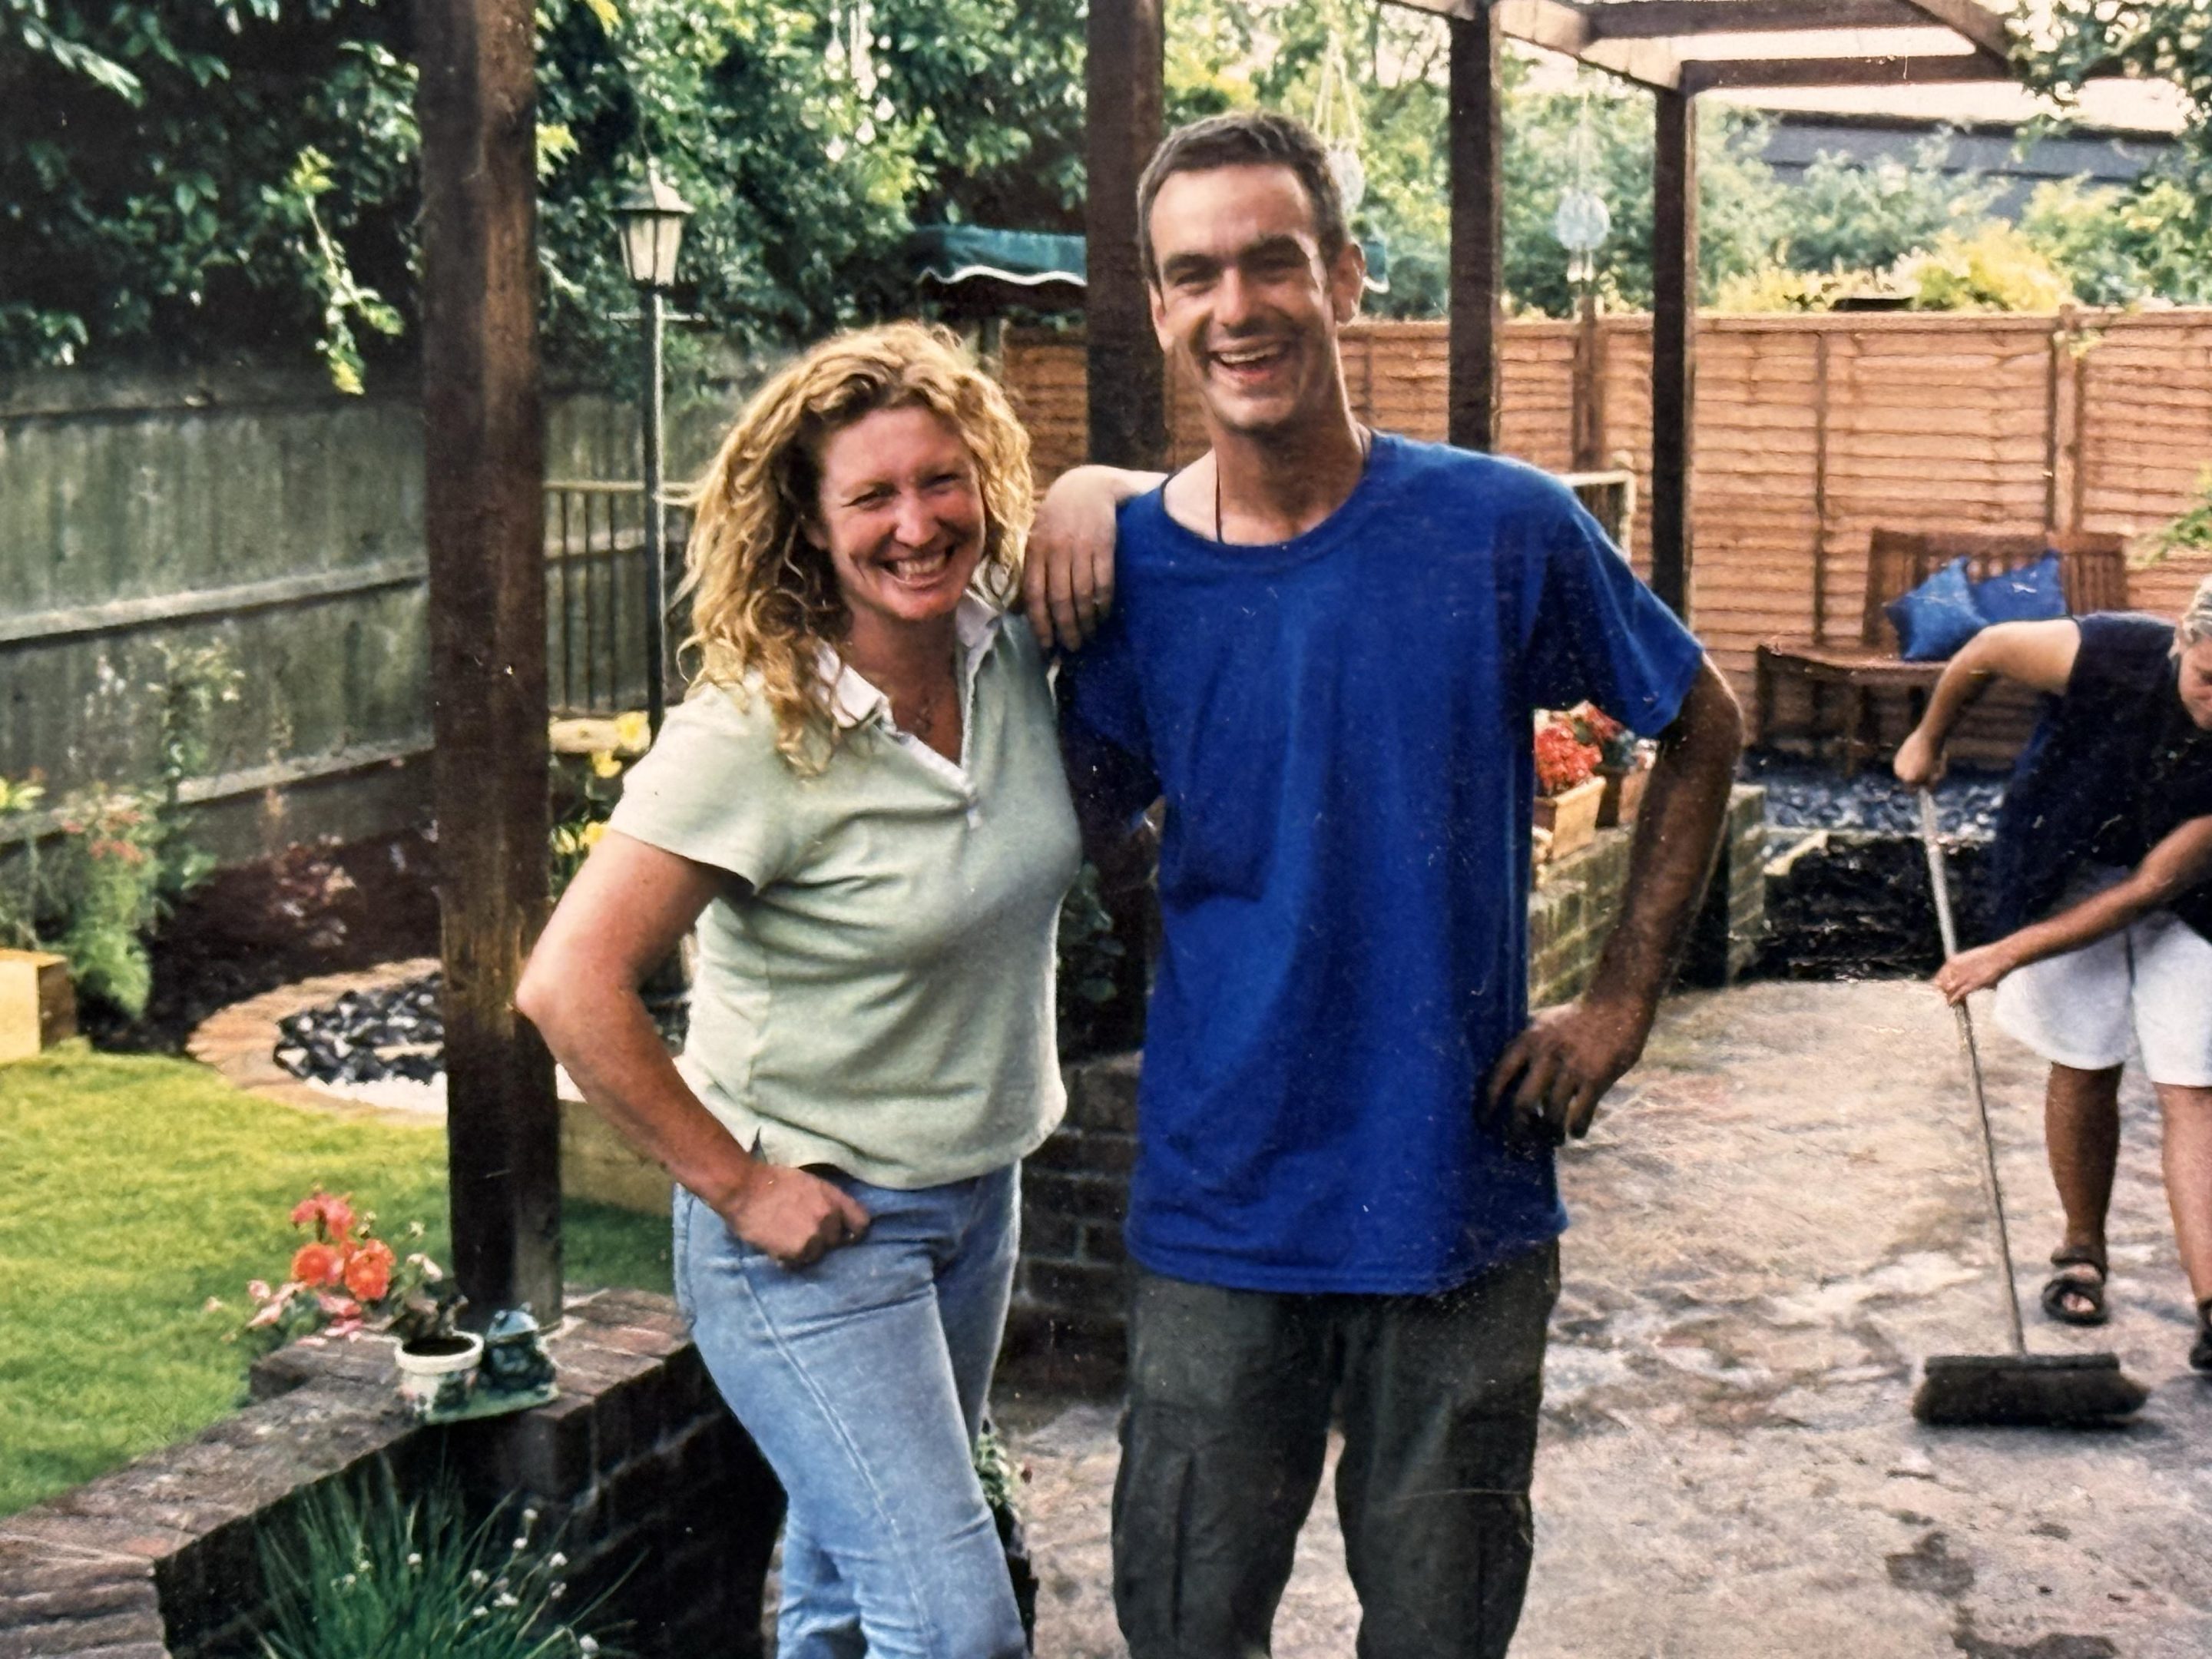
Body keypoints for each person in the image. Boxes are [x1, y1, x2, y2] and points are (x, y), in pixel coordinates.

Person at [1025, 111, 1744, 1659]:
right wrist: (1092, 486)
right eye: (1194, 275)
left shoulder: (1499, 528)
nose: (1238, 307)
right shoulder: (1124, 577)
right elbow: (1084, 816)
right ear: (1158, 309)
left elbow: (1698, 726)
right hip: (1223, 1215)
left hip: (1455, 1201)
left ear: (1345, 277)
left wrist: (1619, 1006)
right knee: (1184, 1627)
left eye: (1273, 261)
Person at [516, 322, 1078, 1659]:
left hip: (973, 1204)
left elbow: (1124, 520)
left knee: (840, 1605)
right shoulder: (757, 729)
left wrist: (1101, 491)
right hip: (813, 1236)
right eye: (871, 496)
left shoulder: (1011, 652)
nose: (916, 523)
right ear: (810, 528)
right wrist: (742, 1187)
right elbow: (567, 984)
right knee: (957, 1631)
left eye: (942, 480)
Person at [1893, 576, 2212, 1370]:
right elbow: (1990, 647)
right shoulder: (2107, 655)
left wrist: (2004, 954)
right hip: (2066, 864)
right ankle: (2080, 1253)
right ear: (2183, 639)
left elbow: (2151, 889)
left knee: (2193, 1085)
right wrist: (1930, 737)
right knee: (2083, 1060)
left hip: (2191, 896)